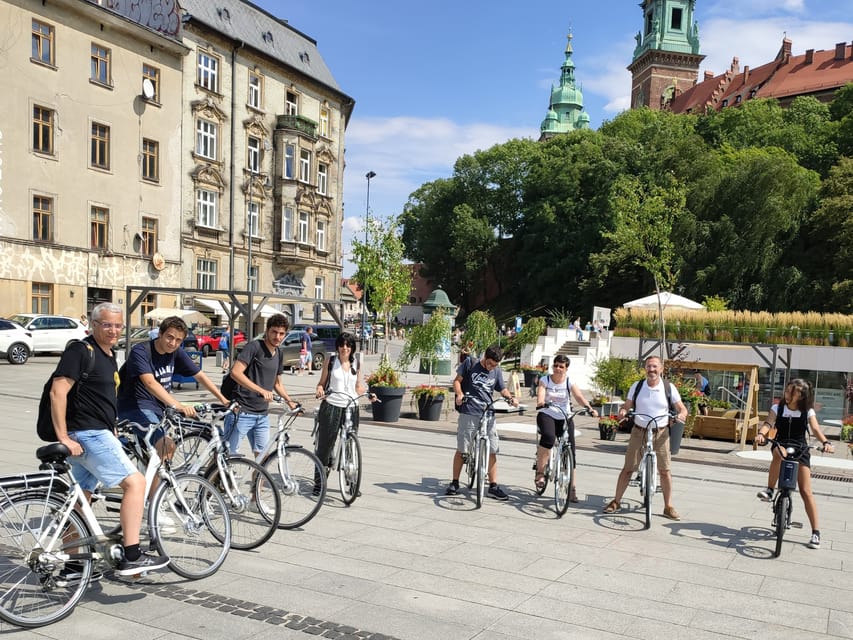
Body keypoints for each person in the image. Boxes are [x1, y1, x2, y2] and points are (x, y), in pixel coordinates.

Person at [50, 302, 169, 577]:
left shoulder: (109, 354)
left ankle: (72, 566)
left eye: (117, 325)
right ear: (93, 325)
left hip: (96, 432)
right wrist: (62, 436)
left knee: (81, 499)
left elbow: (100, 396)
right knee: (136, 483)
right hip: (87, 434)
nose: (113, 330)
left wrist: (112, 426)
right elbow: (58, 392)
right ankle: (132, 556)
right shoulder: (80, 350)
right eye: (107, 324)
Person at [117, 315, 229, 494]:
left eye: (178, 340)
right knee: (167, 445)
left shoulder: (175, 352)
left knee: (207, 431)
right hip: (135, 407)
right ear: (160, 334)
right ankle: (153, 503)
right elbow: (150, 383)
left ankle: (149, 488)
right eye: (169, 337)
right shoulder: (141, 351)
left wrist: (223, 399)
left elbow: (199, 375)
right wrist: (178, 405)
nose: (173, 343)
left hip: (159, 408)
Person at [603, 355, 688, 520]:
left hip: (661, 432)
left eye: (655, 366)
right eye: (649, 366)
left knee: (665, 471)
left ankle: (668, 506)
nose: (652, 370)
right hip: (639, 431)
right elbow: (627, 406)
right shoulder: (637, 386)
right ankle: (616, 501)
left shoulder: (668, 387)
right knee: (628, 468)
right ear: (645, 369)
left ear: (661, 369)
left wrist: (682, 415)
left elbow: (681, 408)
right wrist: (622, 412)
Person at [754, 378, 834, 549]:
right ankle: (769, 489)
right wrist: (761, 434)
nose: (788, 393)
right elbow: (768, 423)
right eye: (788, 389)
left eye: (792, 391)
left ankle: (815, 532)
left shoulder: (808, 412)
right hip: (781, 443)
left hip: (800, 448)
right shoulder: (778, 408)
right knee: (777, 452)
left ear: (801, 396)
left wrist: (826, 442)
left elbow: (816, 429)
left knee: (806, 491)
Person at [445, 344, 518, 500]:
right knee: (462, 448)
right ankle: (455, 482)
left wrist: (510, 398)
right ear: (485, 357)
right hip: (469, 409)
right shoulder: (470, 363)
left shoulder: (496, 370)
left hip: (488, 412)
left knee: (492, 449)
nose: (491, 367)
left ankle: (493, 486)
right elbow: (457, 381)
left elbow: (502, 388)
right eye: (489, 363)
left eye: (495, 365)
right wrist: (459, 394)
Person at [223, 314, 298, 457]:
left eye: (281, 334)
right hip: (241, 411)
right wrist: (261, 390)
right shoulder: (254, 347)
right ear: (267, 331)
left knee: (262, 458)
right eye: (274, 332)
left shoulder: (279, 353)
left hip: (262, 414)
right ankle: (212, 478)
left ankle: (258, 480)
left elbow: (277, 384)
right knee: (227, 456)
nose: (277, 337)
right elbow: (236, 373)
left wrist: (290, 402)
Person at [535, 355, 598, 502]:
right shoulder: (545, 380)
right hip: (547, 413)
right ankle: (540, 472)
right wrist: (540, 402)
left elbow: (579, 396)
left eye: (561, 367)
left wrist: (589, 408)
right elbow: (541, 393)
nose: (557, 369)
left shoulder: (569, 381)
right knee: (549, 438)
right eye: (555, 365)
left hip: (564, 416)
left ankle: (572, 489)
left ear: (566, 369)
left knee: (571, 451)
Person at [314, 332, 368, 473]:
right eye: (342, 345)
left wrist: (369, 392)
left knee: (351, 444)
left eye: (348, 345)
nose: (345, 348)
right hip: (332, 406)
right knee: (326, 445)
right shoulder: (331, 361)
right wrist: (320, 390)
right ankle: (320, 481)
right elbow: (321, 383)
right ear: (337, 347)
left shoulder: (356, 363)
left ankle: (351, 482)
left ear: (352, 347)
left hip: (351, 408)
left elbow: (357, 387)